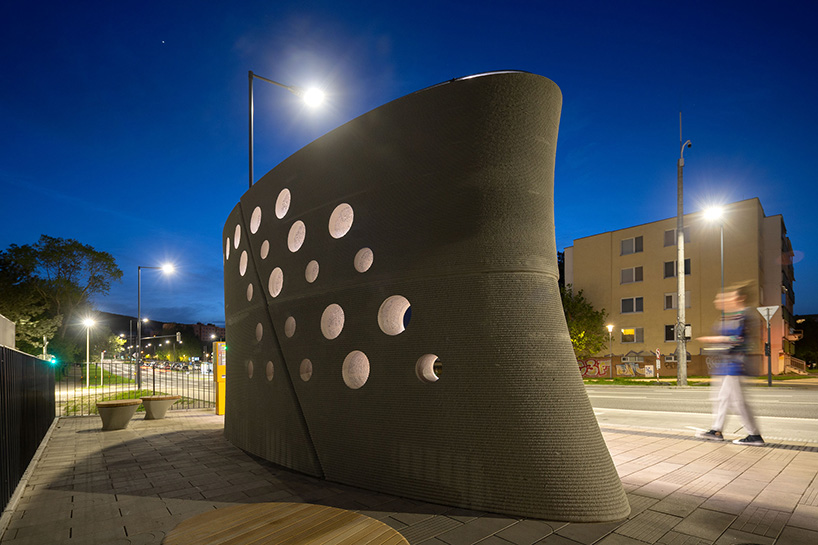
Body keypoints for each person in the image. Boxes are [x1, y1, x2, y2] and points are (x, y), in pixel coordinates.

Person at [696, 283, 764, 446]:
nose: (729, 299)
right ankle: (717, 430)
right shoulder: (734, 316)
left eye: (732, 296)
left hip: (735, 365)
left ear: (741, 298)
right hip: (727, 365)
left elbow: (740, 340)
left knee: (738, 402)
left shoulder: (746, 316)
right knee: (722, 399)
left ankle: (754, 435)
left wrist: (717, 340)